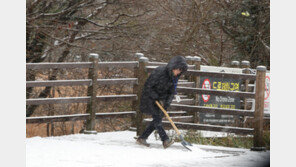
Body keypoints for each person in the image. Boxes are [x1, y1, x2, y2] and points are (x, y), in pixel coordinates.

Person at [136, 56, 188, 149]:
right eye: (178, 70)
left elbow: (171, 92)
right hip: (150, 98)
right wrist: (156, 97)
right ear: (174, 66)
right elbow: (148, 86)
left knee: (157, 119)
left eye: (181, 71)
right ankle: (165, 140)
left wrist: (167, 102)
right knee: (157, 119)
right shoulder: (159, 72)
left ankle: (142, 138)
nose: (179, 72)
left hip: (161, 100)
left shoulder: (174, 78)